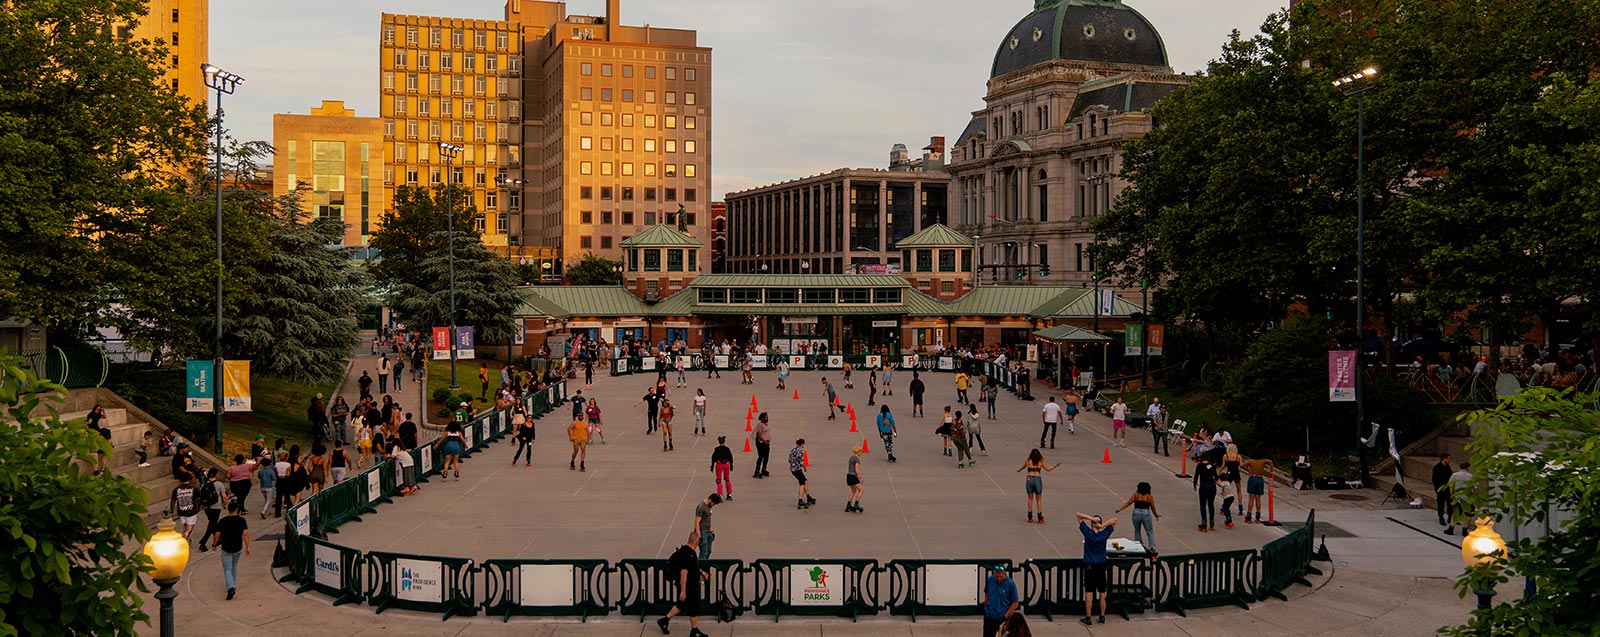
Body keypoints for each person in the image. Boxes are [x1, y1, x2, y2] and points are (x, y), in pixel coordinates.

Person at [657, 530, 709, 637]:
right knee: (694, 607)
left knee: (681, 605)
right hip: (688, 586)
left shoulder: (686, 551)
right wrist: (683, 591)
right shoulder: (688, 554)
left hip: (688, 585)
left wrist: (702, 572)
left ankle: (664, 621)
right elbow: (684, 573)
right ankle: (694, 632)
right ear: (697, 541)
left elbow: (692, 568)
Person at [1076, 512, 1116, 625]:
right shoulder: (1104, 534)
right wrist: (1102, 526)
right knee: (1102, 592)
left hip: (1089, 566)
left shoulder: (1088, 533)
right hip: (1101, 565)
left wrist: (1091, 518)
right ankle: (1102, 616)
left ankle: (1088, 617)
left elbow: (1078, 515)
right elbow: (1114, 520)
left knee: (1089, 592)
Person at [213, 501, 250, 600]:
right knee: (234, 567)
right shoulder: (242, 521)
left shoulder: (223, 521)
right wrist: (248, 546)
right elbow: (245, 534)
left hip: (226, 547)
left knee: (227, 568)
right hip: (238, 546)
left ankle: (231, 587)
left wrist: (214, 544)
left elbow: (217, 534)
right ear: (237, 509)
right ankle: (232, 584)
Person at [1017, 449, 1061, 524]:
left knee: (1030, 498)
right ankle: (1040, 517)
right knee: (1039, 499)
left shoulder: (1028, 460)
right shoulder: (1040, 461)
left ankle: (1030, 516)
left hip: (1029, 478)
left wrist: (1020, 469)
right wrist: (1055, 466)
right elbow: (1048, 469)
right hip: (1037, 478)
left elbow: (1023, 467)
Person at [1116, 482, 1161, 552]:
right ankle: (1152, 547)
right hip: (1146, 513)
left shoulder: (1136, 495)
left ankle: (1139, 545)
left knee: (1137, 530)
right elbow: (1153, 507)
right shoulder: (1149, 497)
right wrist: (1156, 514)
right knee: (1149, 531)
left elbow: (1129, 502)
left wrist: (1120, 509)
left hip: (1136, 513)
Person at [194, 468, 227, 551]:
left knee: (213, 523)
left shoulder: (204, 485)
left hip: (207, 508)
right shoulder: (219, 484)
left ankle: (218, 539)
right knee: (211, 525)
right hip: (216, 507)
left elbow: (201, 496)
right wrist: (225, 504)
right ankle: (203, 542)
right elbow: (224, 496)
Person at [982, 565, 1020, 637]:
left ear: (1004, 574)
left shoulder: (1010, 584)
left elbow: (1015, 603)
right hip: (989, 617)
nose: (999, 579)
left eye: (1001, 577)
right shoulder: (990, 580)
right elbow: (987, 595)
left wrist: (1005, 617)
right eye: (997, 576)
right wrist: (985, 609)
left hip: (1002, 618)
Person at [167, 473, 200, 540]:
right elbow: (199, 499)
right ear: (189, 479)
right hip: (192, 511)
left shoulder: (176, 489)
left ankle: (187, 539)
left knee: (185, 524)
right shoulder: (195, 488)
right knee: (190, 526)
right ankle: (185, 536)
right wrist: (199, 507)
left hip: (181, 511)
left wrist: (171, 511)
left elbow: (173, 501)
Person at [1241, 458, 1273, 524]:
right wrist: (1271, 471)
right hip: (1260, 478)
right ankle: (1258, 517)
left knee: (1251, 499)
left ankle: (1249, 516)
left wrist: (1249, 469)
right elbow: (1270, 461)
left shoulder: (1250, 461)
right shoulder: (1263, 461)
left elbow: (1241, 466)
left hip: (1252, 478)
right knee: (1258, 498)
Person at [1444, 462, 1473, 536]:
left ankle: (1451, 528)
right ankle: (1465, 529)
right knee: (1468, 514)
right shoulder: (1471, 476)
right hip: (1468, 497)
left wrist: (1452, 495)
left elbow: (1451, 486)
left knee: (1456, 513)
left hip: (1458, 496)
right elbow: (1475, 488)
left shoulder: (1454, 475)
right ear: (1467, 467)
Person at [1193, 455, 1219, 532]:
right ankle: (1212, 522)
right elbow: (1216, 477)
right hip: (1212, 486)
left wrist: (1194, 485)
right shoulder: (1211, 465)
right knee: (1211, 504)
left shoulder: (1199, 466)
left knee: (1203, 504)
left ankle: (1204, 523)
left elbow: (1196, 476)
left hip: (1203, 486)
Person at [694, 493, 721, 559]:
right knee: (704, 552)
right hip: (702, 532)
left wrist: (710, 528)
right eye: (713, 504)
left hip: (708, 531)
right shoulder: (701, 507)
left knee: (709, 551)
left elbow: (708, 517)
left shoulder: (709, 506)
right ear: (710, 499)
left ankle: (705, 566)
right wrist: (698, 535)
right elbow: (697, 522)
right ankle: (700, 567)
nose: (713, 505)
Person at [1221, 444, 1244, 517]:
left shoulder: (1225, 456)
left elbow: (1223, 466)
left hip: (1229, 474)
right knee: (1239, 491)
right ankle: (1240, 507)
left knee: (1226, 491)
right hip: (1236, 474)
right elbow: (1241, 465)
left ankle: (1224, 507)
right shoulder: (1238, 456)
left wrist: (1218, 473)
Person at [790, 439, 814, 509]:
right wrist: (804, 467)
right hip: (797, 469)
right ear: (802, 444)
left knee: (805, 480)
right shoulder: (801, 451)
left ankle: (808, 496)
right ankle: (800, 500)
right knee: (802, 483)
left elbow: (790, 459)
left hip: (793, 469)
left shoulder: (793, 450)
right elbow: (801, 461)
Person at [1431, 453, 1454, 527]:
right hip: (1440, 488)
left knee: (1450, 503)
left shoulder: (1447, 467)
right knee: (1441, 503)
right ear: (1444, 458)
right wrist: (1437, 488)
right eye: (1448, 458)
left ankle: (1450, 516)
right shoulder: (1437, 467)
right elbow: (1434, 479)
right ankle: (1441, 517)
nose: (1450, 460)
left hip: (1447, 488)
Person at [711, 436, 734, 501]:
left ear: (719, 441)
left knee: (718, 480)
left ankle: (720, 495)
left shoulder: (716, 449)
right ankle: (729, 494)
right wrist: (731, 465)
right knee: (727, 479)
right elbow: (731, 457)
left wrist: (712, 466)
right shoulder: (727, 449)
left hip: (719, 465)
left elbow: (713, 458)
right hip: (726, 464)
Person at [845, 445, 865, 513]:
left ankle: (848, 504)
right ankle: (856, 504)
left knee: (853, 490)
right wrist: (860, 478)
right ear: (858, 452)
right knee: (861, 490)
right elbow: (856, 469)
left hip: (848, 475)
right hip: (853, 476)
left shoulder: (851, 457)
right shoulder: (857, 459)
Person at [752, 412, 773, 478]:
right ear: (762, 418)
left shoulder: (765, 424)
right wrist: (764, 441)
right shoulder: (760, 425)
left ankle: (764, 469)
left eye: (767, 417)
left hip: (766, 443)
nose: (767, 418)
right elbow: (759, 434)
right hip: (761, 443)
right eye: (765, 417)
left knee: (766, 457)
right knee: (761, 457)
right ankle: (757, 471)